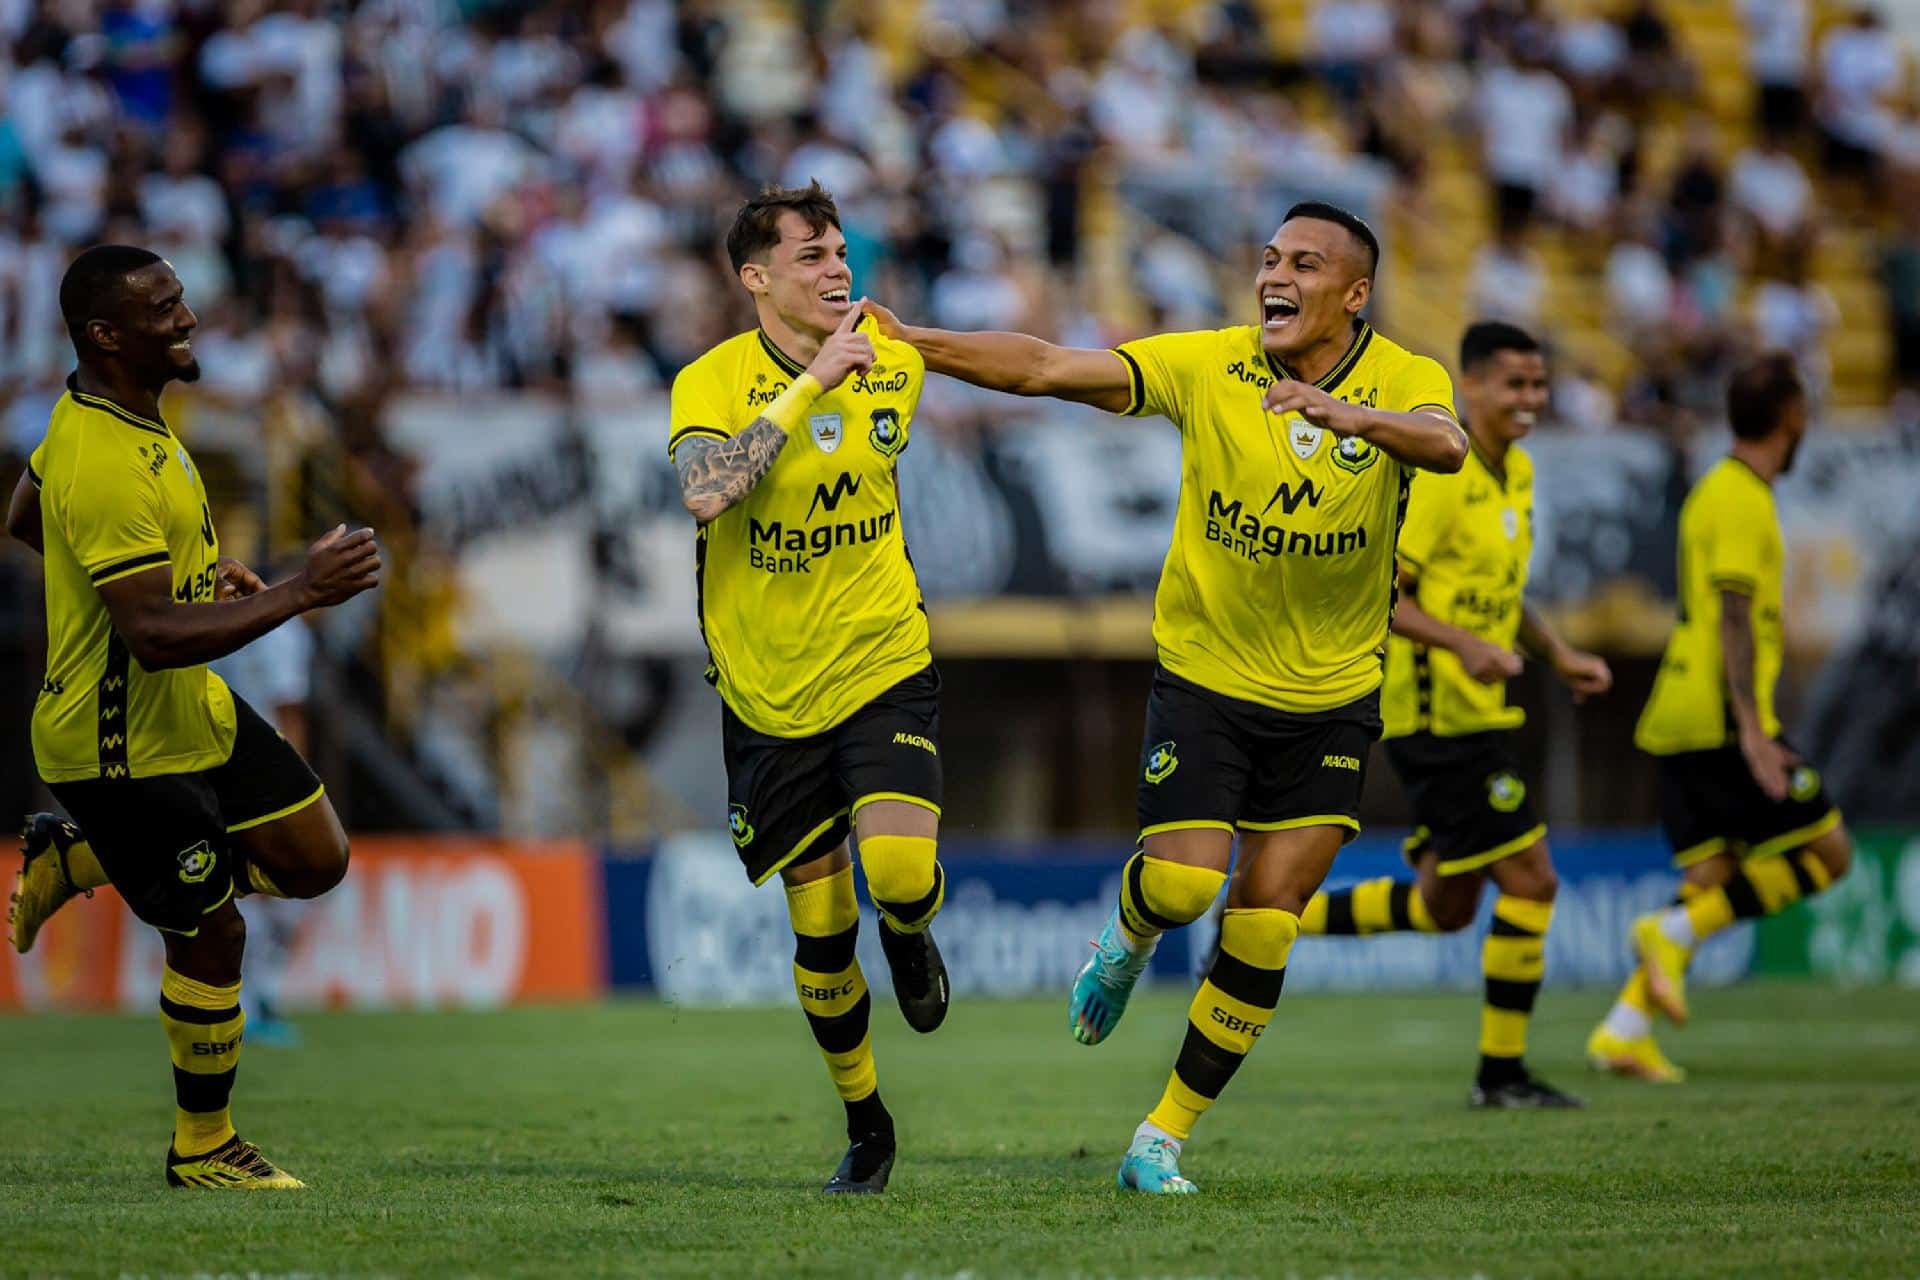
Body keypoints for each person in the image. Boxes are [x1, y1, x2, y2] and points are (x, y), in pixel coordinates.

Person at [864, 201, 1468, 1193]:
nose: (1275, 274)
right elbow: (1051, 369)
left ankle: (1160, 1137)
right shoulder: (1212, 364)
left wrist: (1348, 416)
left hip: (1334, 696)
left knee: (1266, 916)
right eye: (1269, 257)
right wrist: (914, 340)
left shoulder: (1407, 380)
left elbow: (1445, 445)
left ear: (1354, 296)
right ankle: (1132, 933)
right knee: (1187, 888)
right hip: (1208, 680)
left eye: (1305, 263)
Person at [5, 245, 380, 1189]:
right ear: (105, 334)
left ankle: (78, 858)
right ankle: (203, 1148)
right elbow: (155, 638)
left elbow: (24, 516)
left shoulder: (126, 421)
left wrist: (180, 573)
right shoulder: (98, 452)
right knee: (213, 934)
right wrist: (299, 592)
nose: (188, 319)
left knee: (317, 857)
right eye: (164, 308)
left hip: (193, 714)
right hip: (115, 742)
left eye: (181, 300)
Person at [668, 182, 949, 1196]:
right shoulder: (709, 380)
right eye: (812, 256)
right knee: (823, 931)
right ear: (756, 278)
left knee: (903, 874)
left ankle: (913, 934)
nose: (838, 270)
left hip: (881, 660)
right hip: (768, 692)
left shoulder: (898, 367)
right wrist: (812, 382)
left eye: (842, 252)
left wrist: (845, 369)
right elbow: (708, 490)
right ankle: (867, 1124)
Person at [1296, 321, 1612, 1108]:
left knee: (1447, 904)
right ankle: (1500, 1077)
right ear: (1468, 389)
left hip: (1478, 712)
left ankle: (1268, 920)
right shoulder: (1442, 476)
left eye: (1539, 385)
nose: (1530, 399)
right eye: (1514, 384)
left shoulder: (1519, 475)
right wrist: (1465, 647)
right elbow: (1386, 596)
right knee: (1533, 882)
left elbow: (1499, 597)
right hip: (1437, 717)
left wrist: (1557, 652)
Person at [1589, 352, 1852, 1080]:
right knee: (1830, 853)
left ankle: (1622, 1029)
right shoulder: (1740, 497)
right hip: (1717, 717)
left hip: (1681, 715)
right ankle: (1669, 933)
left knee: (1711, 880)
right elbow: (1734, 614)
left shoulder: (1719, 489)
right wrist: (1754, 730)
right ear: (1791, 417)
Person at [210, 602, 317, 1049]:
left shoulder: (221, 619)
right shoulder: (288, 633)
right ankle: (253, 1004)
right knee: (294, 885)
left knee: (243, 890)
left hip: (214, 762)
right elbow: (288, 709)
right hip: (265, 770)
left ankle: (255, 999)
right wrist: (302, 782)